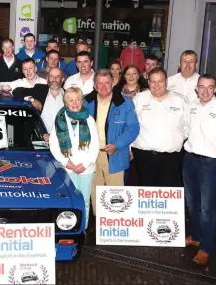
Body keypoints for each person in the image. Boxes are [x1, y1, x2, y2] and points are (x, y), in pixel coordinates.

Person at [183, 74, 216, 266]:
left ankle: (205, 248)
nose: (205, 91)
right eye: (201, 87)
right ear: (196, 88)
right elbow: (187, 130)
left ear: (215, 89)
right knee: (191, 203)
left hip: (210, 163)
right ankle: (196, 236)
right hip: (190, 159)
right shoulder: (191, 107)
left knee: (207, 209)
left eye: (209, 87)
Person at [84, 69, 139, 218]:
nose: (103, 87)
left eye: (107, 83)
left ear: (112, 83)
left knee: (115, 193)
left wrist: (117, 144)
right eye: (100, 83)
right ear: (94, 86)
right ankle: (99, 223)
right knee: (95, 191)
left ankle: (115, 223)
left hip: (115, 154)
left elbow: (133, 128)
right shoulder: (84, 102)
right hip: (92, 155)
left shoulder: (125, 103)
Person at [49, 87, 99, 229]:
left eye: (77, 99)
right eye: (71, 100)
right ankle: (70, 229)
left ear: (82, 101)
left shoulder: (89, 119)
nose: (75, 103)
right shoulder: (59, 119)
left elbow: (95, 145)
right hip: (67, 168)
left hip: (86, 168)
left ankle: (82, 230)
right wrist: (68, 163)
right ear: (65, 103)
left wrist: (84, 164)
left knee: (84, 201)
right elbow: (54, 145)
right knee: (69, 201)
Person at [131, 67, 189, 187]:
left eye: (160, 81)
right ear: (148, 82)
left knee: (167, 196)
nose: (156, 85)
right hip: (143, 156)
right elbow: (130, 125)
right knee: (145, 196)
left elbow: (189, 127)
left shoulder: (180, 101)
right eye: (153, 81)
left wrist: (178, 140)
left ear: (166, 82)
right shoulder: (139, 99)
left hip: (171, 158)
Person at [13, 68, 65, 134]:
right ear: (47, 78)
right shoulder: (40, 89)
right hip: (40, 138)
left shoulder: (69, 95)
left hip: (61, 139)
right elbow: (16, 91)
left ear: (62, 79)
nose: (54, 79)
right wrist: (31, 99)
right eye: (51, 76)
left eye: (57, 77)